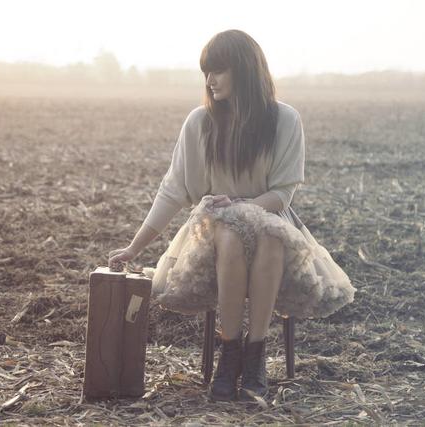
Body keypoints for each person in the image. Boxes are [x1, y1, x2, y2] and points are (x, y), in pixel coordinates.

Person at [108, 29, 312, 403]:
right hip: (213, 230)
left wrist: (243, 208)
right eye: (206, 71)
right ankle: (229, 352)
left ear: (246, 71)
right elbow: (173, 190)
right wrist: (135, 248)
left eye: (218, 70)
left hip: (271, 220)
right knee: (231, 234)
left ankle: (255, 356)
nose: (209, 80)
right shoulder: (200, 123)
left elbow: (283, 193)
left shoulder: (285, 120)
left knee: (268, 236)